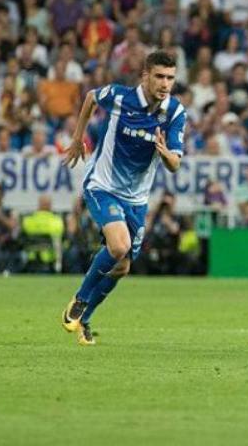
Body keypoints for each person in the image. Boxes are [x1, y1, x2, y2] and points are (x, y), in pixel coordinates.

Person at [60, 51, 185, 346]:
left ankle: (86, 317)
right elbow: (91, 97)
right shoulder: (119, 97)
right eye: (159, 77)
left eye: (170, 78)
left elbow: (175, 162)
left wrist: (166, 154)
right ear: (145, 75)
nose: (165, 84)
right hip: (102, 185)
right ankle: (79, 300)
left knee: (122, 267)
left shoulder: (175, 112)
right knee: (119, 246)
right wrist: (78, 138)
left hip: (137, 199)